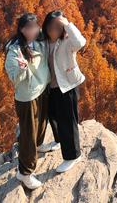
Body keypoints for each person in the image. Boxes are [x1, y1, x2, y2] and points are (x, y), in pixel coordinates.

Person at [5, 14, 54, 190]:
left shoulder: (39, 37)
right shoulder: (14, 51)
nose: (33, 31)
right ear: (21, 29)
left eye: (35, 27)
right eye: (29, 28)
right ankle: (25, 173)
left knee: (42, 122)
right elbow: (14, 78)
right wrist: (22, 68)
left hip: (42, 89)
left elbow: (52, 31)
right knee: (28, 135)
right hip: (27, 97)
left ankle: (39, 145)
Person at [41, 10, 88, 173]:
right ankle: (59, 141)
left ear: (63, 29)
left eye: (57, 27)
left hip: (67, 86)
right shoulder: (43, 43)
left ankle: (72, 156)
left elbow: (81, 42)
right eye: (50, 27)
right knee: (53, 116)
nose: (53, 30)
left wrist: (68, 25)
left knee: (68, 122)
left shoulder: (68, 43)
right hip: (50, 86)